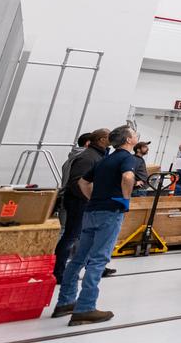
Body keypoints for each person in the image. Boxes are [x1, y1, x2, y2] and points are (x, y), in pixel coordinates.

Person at [53, 124, 138, 325]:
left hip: (91, 211)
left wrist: (93, 199)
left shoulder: (104, 159)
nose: (136, 136)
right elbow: (128, 176)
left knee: (78, 258)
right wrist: (125, 199)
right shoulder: (127, 158)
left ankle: (65, 302)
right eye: (134, 134)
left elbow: (83, 182)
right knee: (98, 260)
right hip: (110, 212)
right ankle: (85, 308)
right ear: (127, 140)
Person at [53, 128, 110, 280]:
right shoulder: (87, 157)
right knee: (71, 236)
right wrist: (91, 199)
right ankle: (58, 272)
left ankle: (91, 267)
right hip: (80, 203)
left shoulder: (97, 155)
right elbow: (77, 182)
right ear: (102, 140)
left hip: (84, 202)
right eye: (109, 136)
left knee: (85, 237)